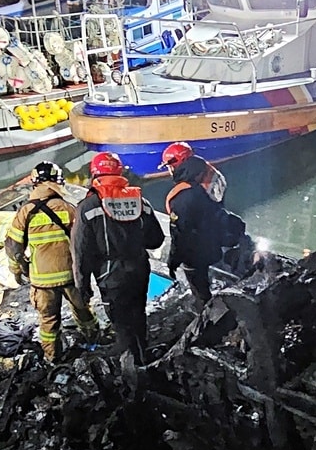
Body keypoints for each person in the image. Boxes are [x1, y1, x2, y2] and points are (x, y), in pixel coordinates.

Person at [72, 151, 164, 364]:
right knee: (139, 314)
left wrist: (82, 286)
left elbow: (81, 252)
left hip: (110, 275)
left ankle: (131, 370)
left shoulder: (88, 207)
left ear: (94, 174)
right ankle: (142, 355)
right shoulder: (140, 201)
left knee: (121, 324)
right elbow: (156, 239)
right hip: (140, 269)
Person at [4, 161, 96, 362]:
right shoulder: (69, 207)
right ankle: (94, 342)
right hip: (71, 276)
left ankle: (53, 358)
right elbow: (83, 242)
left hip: (42, 281)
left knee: (48, 322)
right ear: (59, 182)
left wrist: (18, 270)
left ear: (35, 183)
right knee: (83, 311)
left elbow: (13, 248)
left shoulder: (25, 213)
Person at [165, 150, 245, 304]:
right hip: (214, 240)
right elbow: (217, 208)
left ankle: (207, 312)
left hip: (197, 251)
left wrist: (173, 261)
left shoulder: (181, 197)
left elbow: (180, 235)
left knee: (199, 287)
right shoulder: (206, 178)